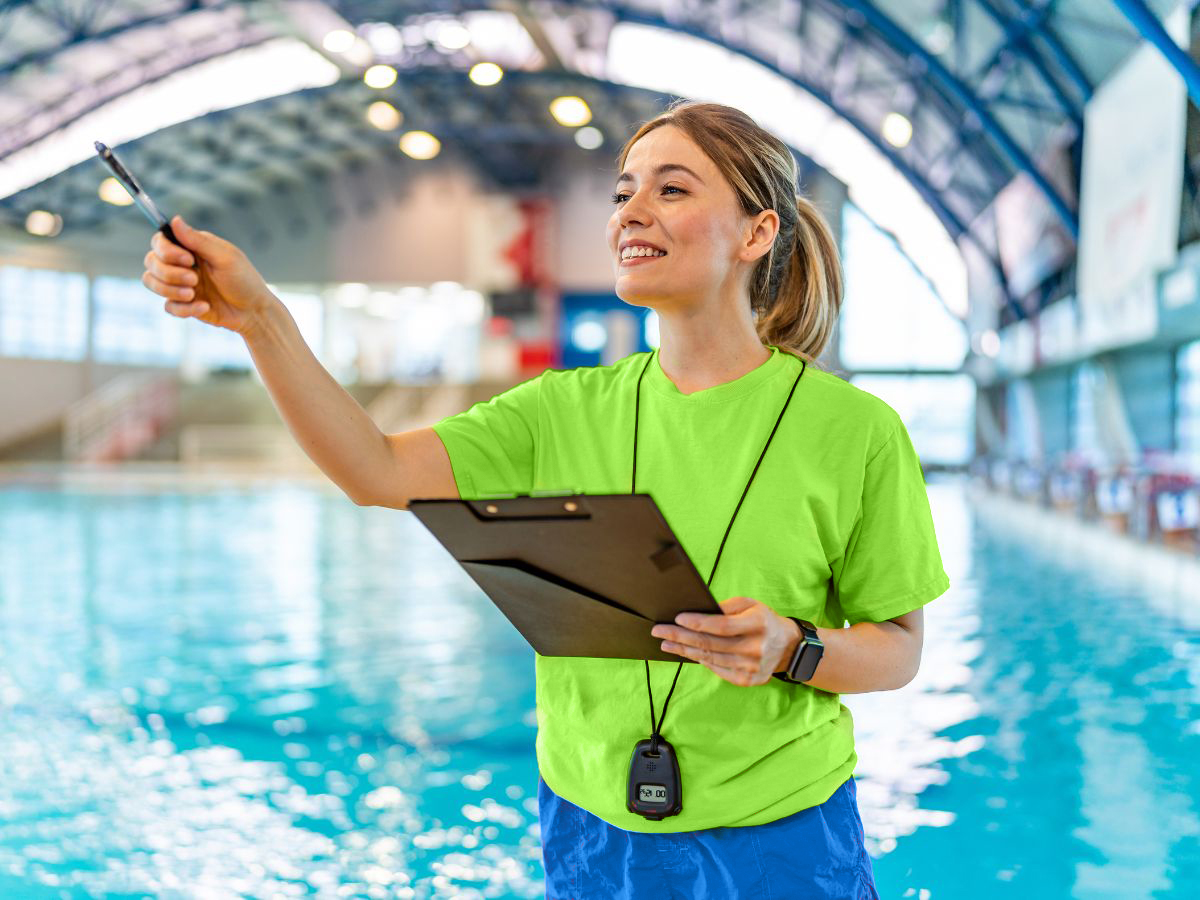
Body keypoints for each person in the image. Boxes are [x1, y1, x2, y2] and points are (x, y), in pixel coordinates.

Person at [141, 99, 949, 898]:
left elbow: (899, 649)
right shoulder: (558, 409)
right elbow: (374, 469)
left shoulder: (855, 430)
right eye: (623, 191)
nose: (631, 210)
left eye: (671, 189)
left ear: (756, 232)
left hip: (780, 829)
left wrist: (792, 647)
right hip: (589, 820)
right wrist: (261, 321)